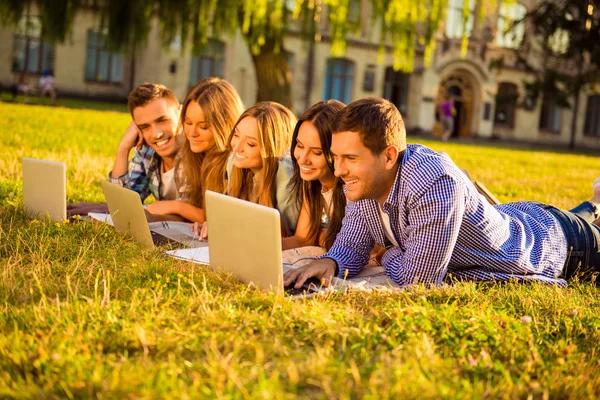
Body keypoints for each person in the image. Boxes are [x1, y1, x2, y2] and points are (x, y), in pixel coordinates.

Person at [284, 97, 600, 289]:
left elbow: (417, 281)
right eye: (336, 158)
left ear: (389, 156)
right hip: (520, 215)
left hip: (558, 247)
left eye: (350, 159)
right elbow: (351, 245)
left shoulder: (434, 183)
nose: (338, 171)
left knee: (584, 230)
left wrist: (389, 253)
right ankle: (595, 203)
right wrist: (331, 263)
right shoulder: (361, 184)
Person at [67, 83, 182, 218]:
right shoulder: (147, 152)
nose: (156, 134)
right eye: (145, 126)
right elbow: (122, 202)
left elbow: (193, 213)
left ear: (181, 114)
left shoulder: (197, 150)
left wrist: (148, 211)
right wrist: (123, 148)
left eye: (162, 120)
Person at [194, 102, 299, 244]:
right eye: (236, 135)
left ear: (271, 148)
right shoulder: (235, 162)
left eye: (250, 144)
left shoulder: (285, 176)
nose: (237, 148)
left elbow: (290, 235)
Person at [142, 77, 244, 223]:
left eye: (203, 126)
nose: (192, 133)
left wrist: (176, 206)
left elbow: (225, 220)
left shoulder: (236, 162)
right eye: (188, 122)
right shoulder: (194, 154)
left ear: (224, 126)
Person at [285, 100, 346, 249]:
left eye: (317, 152)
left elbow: (367, 249)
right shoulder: (312, 181)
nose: (303, 159)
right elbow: (303, 239)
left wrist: (323, 236)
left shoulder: (351, 187)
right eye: (299, 145)